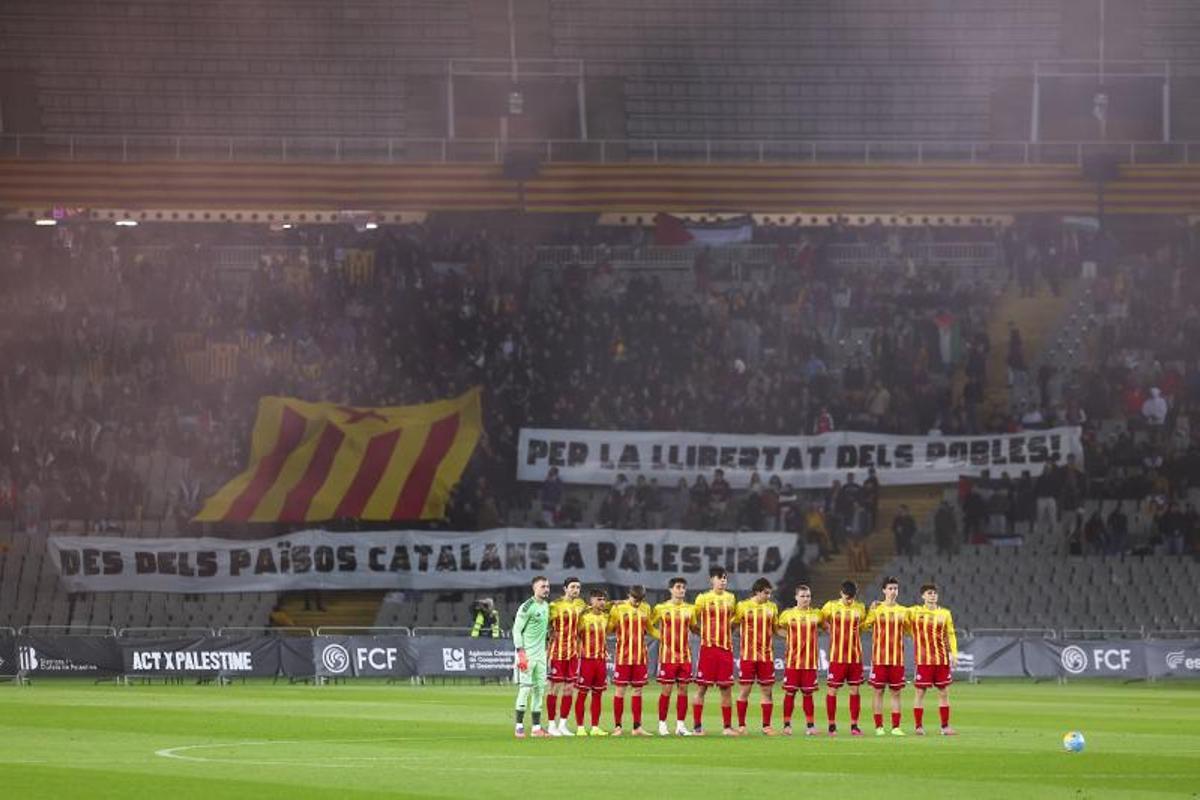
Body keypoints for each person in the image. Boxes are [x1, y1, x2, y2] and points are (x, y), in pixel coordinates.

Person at [690, 566, 738, 736]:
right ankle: (697, 727)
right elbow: (692, 620)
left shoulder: (731, 598)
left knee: (726, 689)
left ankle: (726, 727)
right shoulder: (702, 598)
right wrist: (701, 633)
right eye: (719, 577)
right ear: (712, 580)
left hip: (725, 649)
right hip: (708, 649)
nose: (723, 580)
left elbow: (735, 621)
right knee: (702, 688)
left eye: (725, 577)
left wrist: (727, 632)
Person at [909, 582, 958, 735]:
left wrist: (954, 654)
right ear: (923, 596)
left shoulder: (945, 613)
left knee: (944, 692)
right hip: (924, 660)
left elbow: (950, 634)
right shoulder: (914, 612)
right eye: (929, 593)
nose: (932, 595)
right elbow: (895, 610)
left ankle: (944, 727)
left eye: (934, 593)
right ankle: (918, 726)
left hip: (941, 659)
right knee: (920, 693)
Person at [864, 577, 910, 736]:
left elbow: (910, 630)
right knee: (878, 692)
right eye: (890, 588)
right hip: (879, 658)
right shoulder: (876, 609)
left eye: (895, 588)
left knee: (896, 693)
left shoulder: (904, 611)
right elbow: (865, 625)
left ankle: (896, 727)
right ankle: (879, 727)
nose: (893, 591)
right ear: (884, 590)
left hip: (897, 659)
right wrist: (870, 610)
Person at [733, 577, 780, 736]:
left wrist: (795, 635)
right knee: (745, 690)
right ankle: (741, 725)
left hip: (766, 656)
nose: (768, 596)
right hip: (748, 655)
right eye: (766, 593)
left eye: (770, 593)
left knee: (767, 691)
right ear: (758, 592)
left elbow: (776, 629)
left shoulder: (772, 607)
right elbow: (733, 625)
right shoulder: (742, 606)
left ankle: (766, 726)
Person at [820, 580, 867, 736]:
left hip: (855, 657)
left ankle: (854, 725)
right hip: (837, 656)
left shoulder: (860, 608)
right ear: (841, 593)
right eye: (847, 597)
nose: (849, 600)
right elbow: (821, 620)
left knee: (855, 690)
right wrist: (828, 628)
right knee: (832, 690)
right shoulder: (831, 606)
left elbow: (863, 626)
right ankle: (832, 726)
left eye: (852, 598)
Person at [776, 584, 824, 736]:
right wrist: (790, 636)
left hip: (810, 662)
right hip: (793, 661)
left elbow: (824, 626)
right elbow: (777, 628)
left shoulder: (817, 614)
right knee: (790, 693)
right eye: (802, 596)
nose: (805, 599)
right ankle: (786, 725)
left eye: (808, 596)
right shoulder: (787, 614)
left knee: (808, 694)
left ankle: (810, 726)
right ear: (796, 597)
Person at [650, 577, 695, 736]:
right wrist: (660, 635)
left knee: (683, 690)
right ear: (671, 589)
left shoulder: (690, 609)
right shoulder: (661, 608)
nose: (681, 590)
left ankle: (680, 726)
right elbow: (649, 625)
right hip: (667, 657)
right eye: (678, 587)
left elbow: (694, 627)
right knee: (667, 690)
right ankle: (662, 725)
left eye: (683, 587)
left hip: (685, 656)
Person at [609, 584, 653, 736]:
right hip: (623, 656)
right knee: (620, 690)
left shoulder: (646, 608)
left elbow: (651, 628)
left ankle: (637, 727)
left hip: (640, 656)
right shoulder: (618, 608)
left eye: (640, 599)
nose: (637, 602)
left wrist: (664, 637)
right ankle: (618, 727)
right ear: (629, 595)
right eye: (635, 599)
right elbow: (609, 628)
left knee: (638, 690)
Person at [512, 575, 552, 738]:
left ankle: (536, 728)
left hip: (541, 656)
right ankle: (519, 726)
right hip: (527, 655)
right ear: (534, 588)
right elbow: (516, 630)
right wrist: (521, 653)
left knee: (539, 690)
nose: (546, 589)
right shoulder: (527, 606)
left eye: (548, 586)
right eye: (543, 586)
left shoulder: (546, 606)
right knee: (525, 689)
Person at [546, 577, 585, 736]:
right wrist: (549, 635)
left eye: (578, 587)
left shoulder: (580, 604)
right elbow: (544, 623)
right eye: (573, 587)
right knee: (554, 688)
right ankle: (551, 725)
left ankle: (563, 724)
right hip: (557, 652)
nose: (576, 590)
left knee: (569, 688)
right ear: (565, 589)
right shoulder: (554, 606)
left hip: (573, 653)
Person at [572, 589, 611, 736]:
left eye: (603, 600)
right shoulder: (583, 617)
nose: (602, 602)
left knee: (597, 694)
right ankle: (580, 727)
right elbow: (575, 635)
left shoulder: (606, 617)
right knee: (582, 693)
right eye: (599, 599)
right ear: (591, 600)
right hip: (586, 660)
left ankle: (595, 727)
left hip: (600, 661)